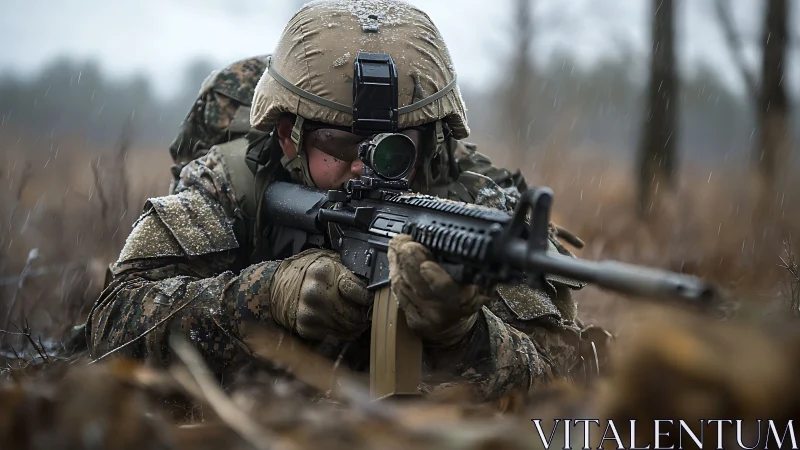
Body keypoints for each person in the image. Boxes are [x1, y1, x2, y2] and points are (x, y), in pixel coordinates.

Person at [86, 0, 600, 401]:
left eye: (397, 149)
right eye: (339, 146)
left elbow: (568, 383)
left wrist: (464, 334)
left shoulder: (478, 208)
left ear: (432, 139)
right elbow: (112, 327)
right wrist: (267, 296)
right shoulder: (234, 182)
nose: (364, 166)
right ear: (288, 136)